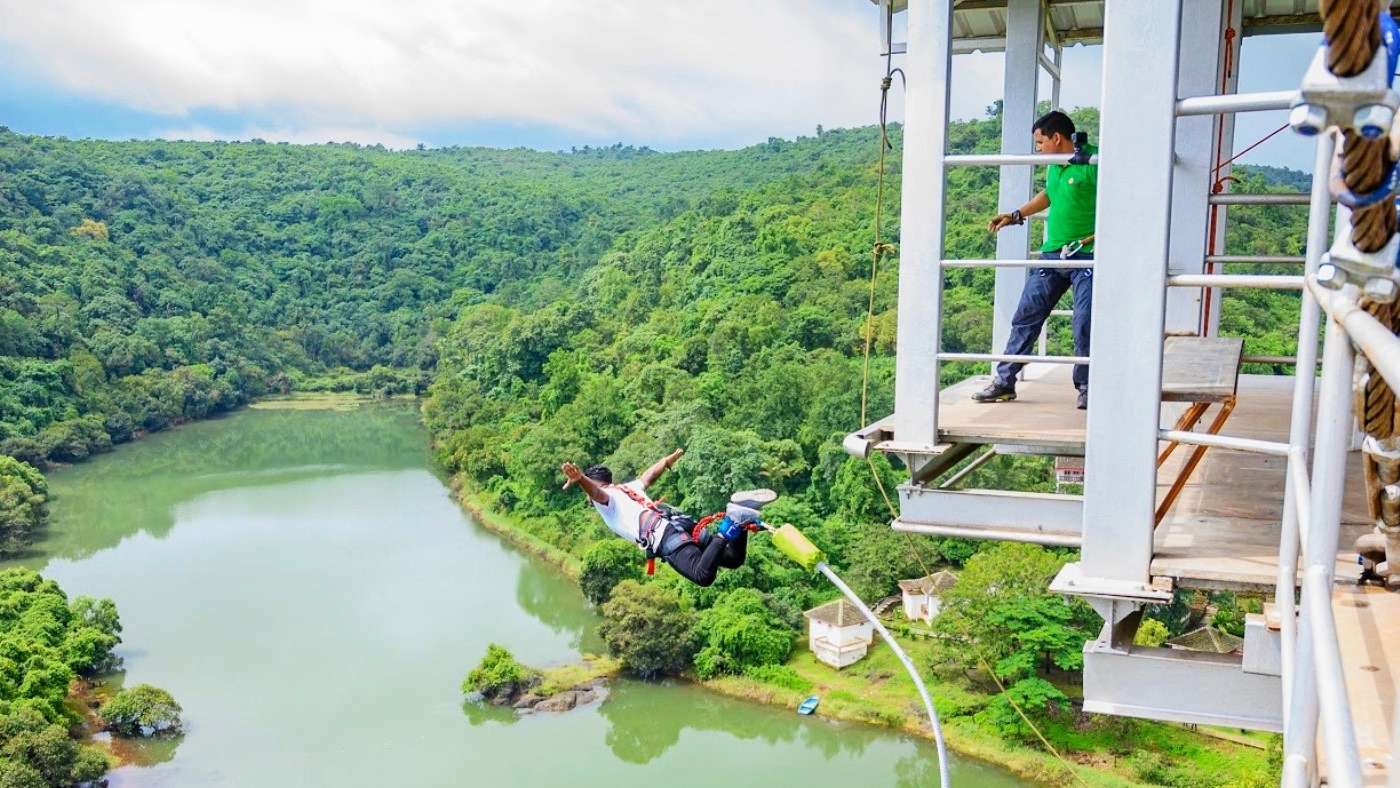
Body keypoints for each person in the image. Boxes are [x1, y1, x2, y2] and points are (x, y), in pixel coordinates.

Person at [976, 110, 1098, 410]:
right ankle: (1004, 382)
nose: (1038, 149)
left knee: (1084, 321)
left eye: (1040, 142)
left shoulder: (1094, 162)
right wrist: (1016, 215)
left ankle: (1087, 387)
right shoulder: (1056, 165)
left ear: (1056, 138)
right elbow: (1050, 193)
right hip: (1053, 253)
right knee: (1027, 314)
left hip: (1088, 255)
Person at [560, 449, 774, 587]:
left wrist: (580, 479)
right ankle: (741, 515)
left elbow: (596, 493)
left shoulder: (604, 499)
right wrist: (666, 461)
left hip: (665, 536)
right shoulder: (626, 488)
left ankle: (731, 523)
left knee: (702, 575)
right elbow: (649, 476)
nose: (588, 497)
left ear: (596, 483)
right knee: (733, 559)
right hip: (680, 524)